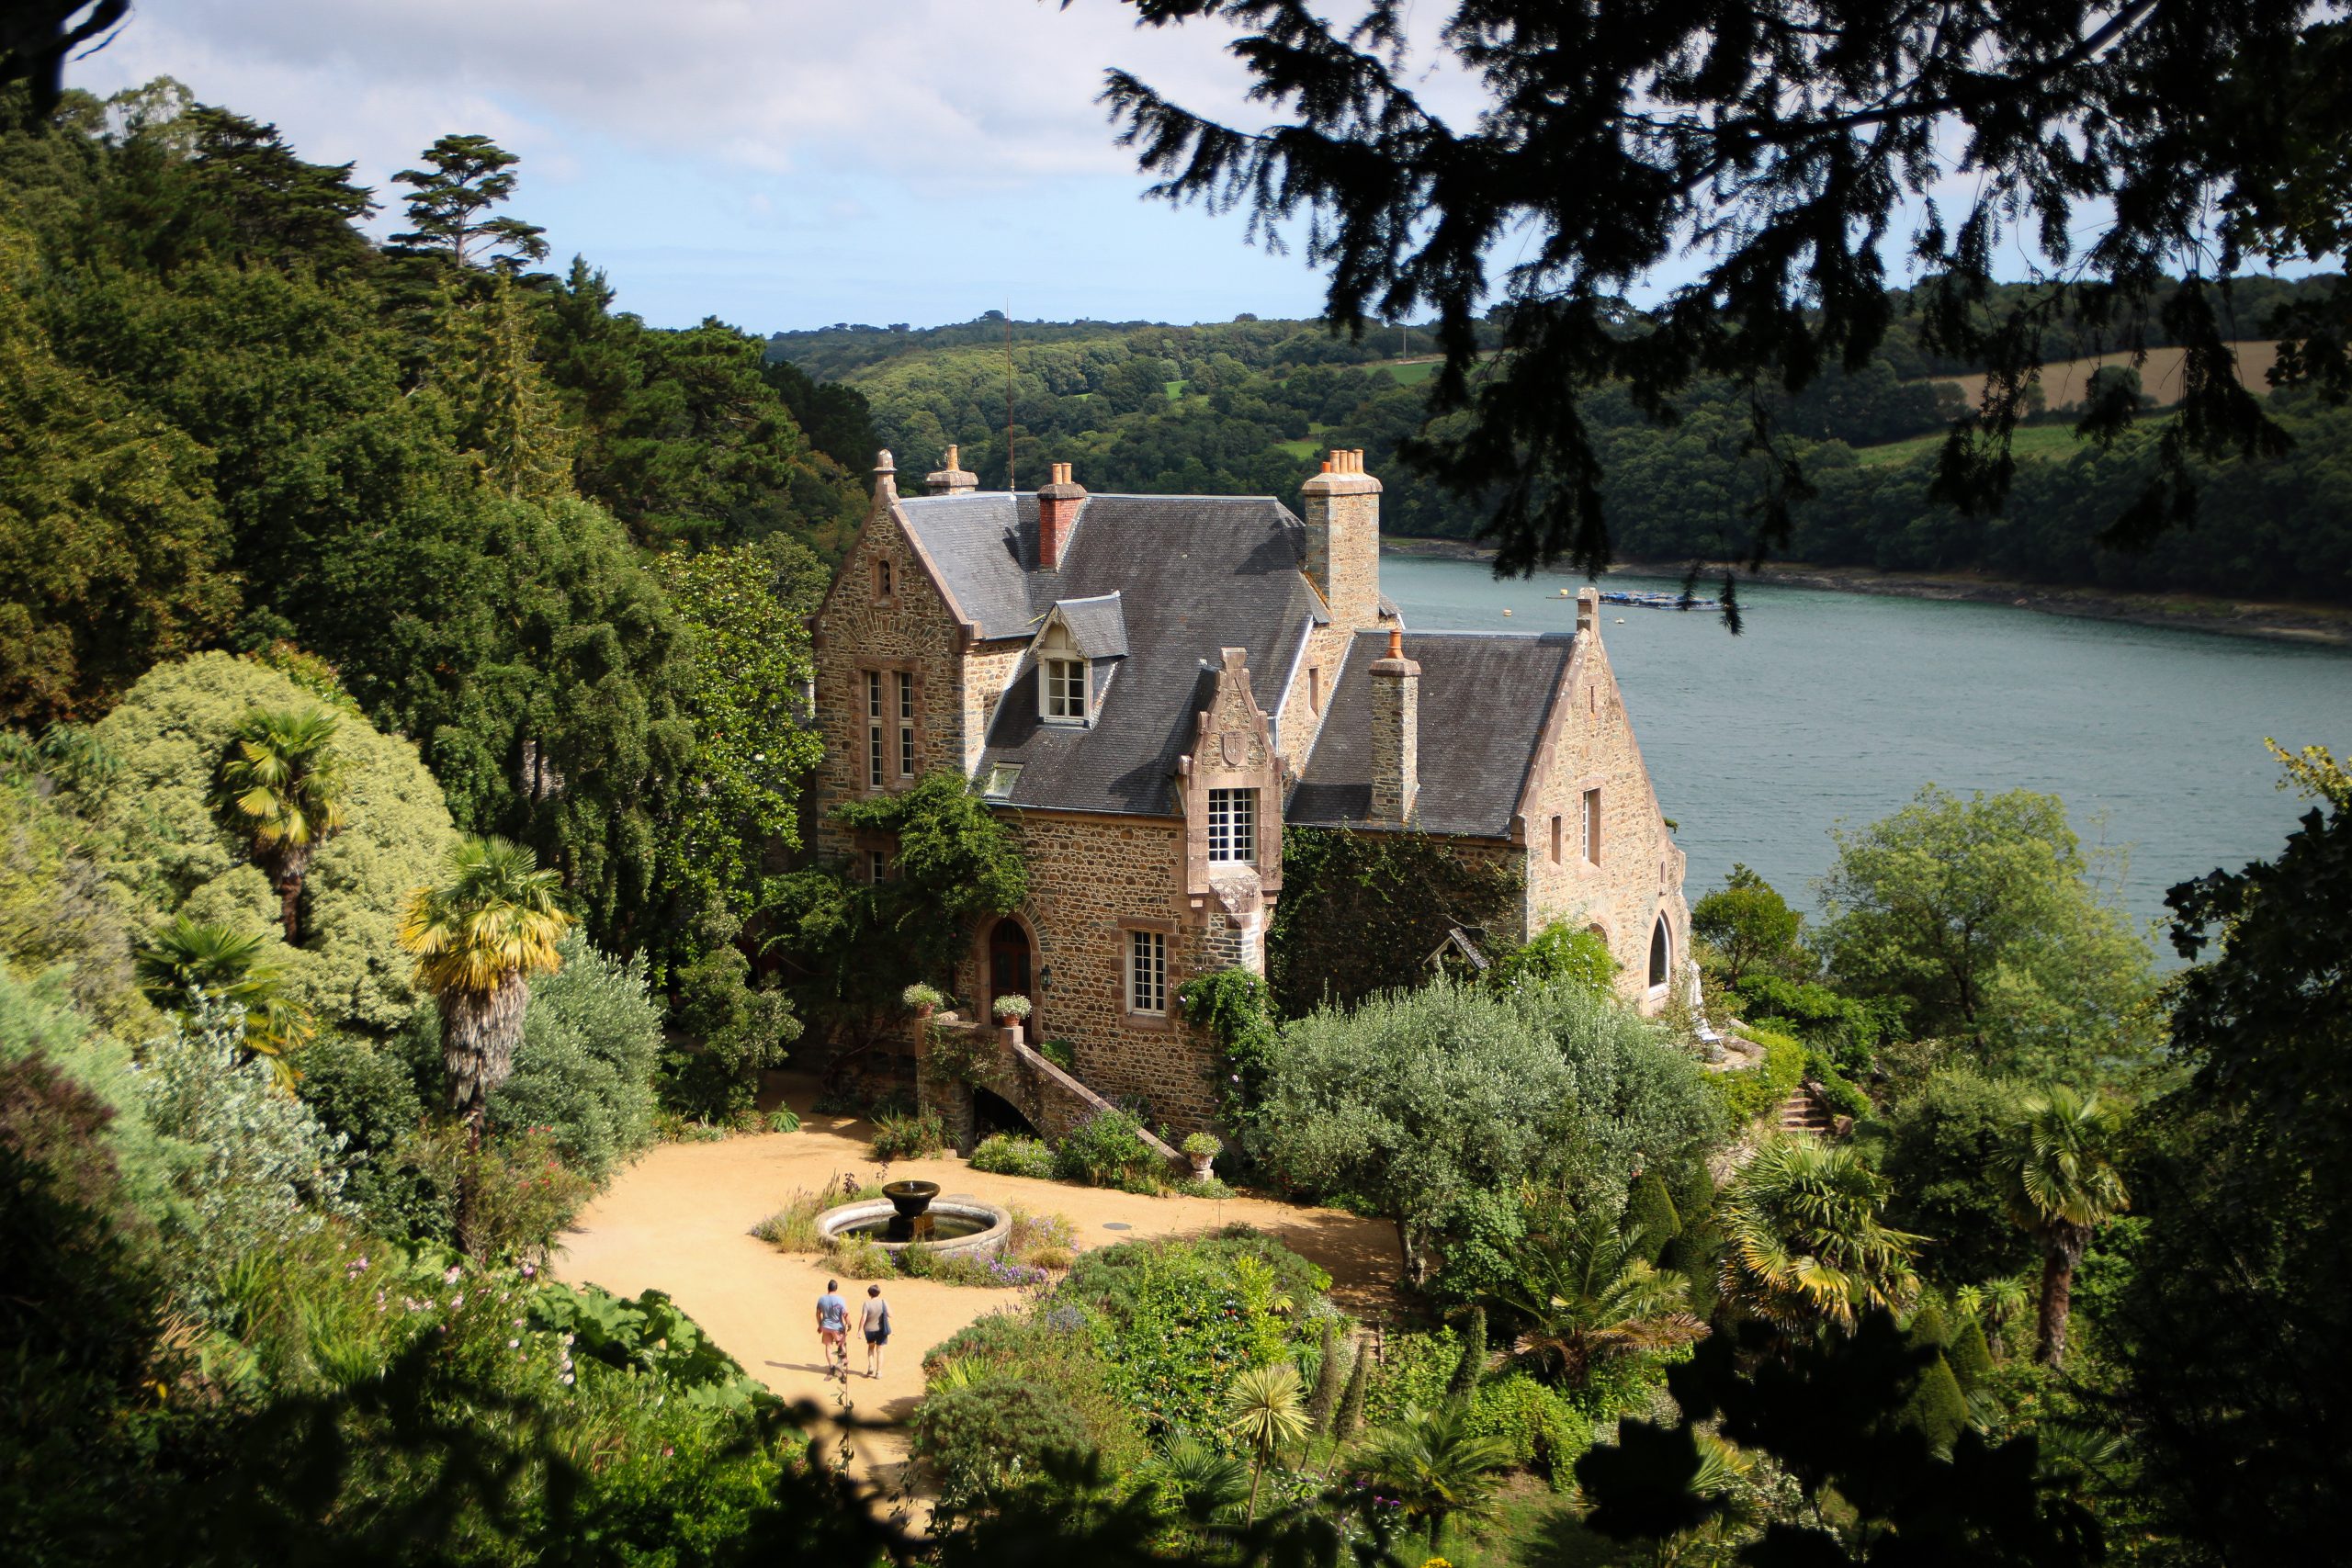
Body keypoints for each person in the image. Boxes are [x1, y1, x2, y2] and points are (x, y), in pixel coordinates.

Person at [815, 1279, 849, 1378]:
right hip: (837, 1327)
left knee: (828, 1347)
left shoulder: (821, 1299)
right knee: (841, 1346)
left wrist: (820, 1325)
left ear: (828, 1288)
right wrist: (849, 1324)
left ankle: (831, 1367)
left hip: (826, 1326)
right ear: (836, 1288)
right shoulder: (840, 1299)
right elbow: (845, 1314)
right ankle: (842, 1365)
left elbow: (818, 1313)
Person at [861, 1282, 892, 1379]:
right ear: (879, 1293)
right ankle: (878, 1372)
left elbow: (863, 1318)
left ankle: (871, 1366)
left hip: (869, 1330)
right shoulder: (883, 1302)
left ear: (869, 1293)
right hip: (881, 1330)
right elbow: (890, 1314)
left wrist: (859, 1330)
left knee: (871, 1348)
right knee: (880, 1350)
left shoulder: (866, 1303)